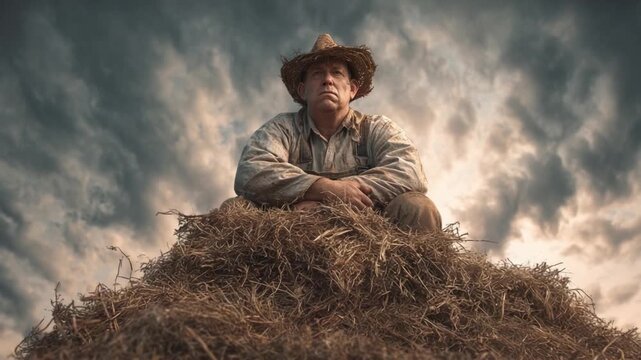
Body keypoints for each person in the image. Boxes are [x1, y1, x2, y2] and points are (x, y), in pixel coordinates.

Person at [224, 34, 442, 233]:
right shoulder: (282, 128)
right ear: (303, 90)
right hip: (292, 228)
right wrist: (326, 189)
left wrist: (344, 195)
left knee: (418, 207)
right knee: (233, 210)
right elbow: (250, 170)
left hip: (369, 230)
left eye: (336, 72)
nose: (327, 80)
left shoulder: (377, 128)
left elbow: (409, 171)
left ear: (352, 89)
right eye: (317, 73)